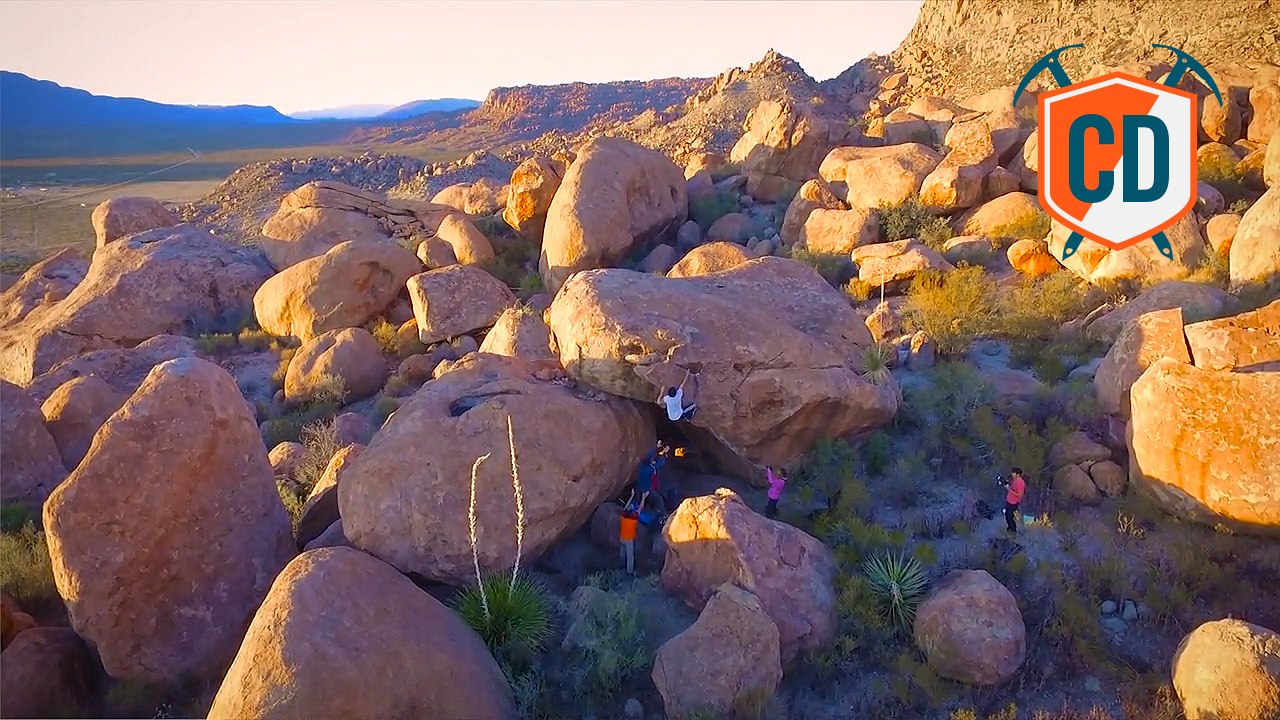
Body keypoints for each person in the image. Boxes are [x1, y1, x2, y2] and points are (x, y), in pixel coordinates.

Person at [619, 491, 646, 575]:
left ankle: (621, 565)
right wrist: (643, 497)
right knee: (630, 556)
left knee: (623, 552)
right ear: (632, 511)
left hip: (622, 537)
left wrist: (632, 496)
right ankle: (629, 572)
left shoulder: (623, 515)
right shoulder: (634, 518)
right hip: (628, 539)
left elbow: (626, 506)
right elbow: (641, 507)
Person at [1001, 467, 1027, 534]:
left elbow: (1020, 495)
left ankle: (1013, 531)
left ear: (1018, 474)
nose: (1012, 474)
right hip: (1009, 501)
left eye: (1014, 473)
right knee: (1007, 516)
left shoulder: (1020, 483)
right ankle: (1010, 529)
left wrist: (1009, 489)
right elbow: (1013, 488)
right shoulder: (1015, 480)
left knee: (1009, 517)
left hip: (1013, 503)